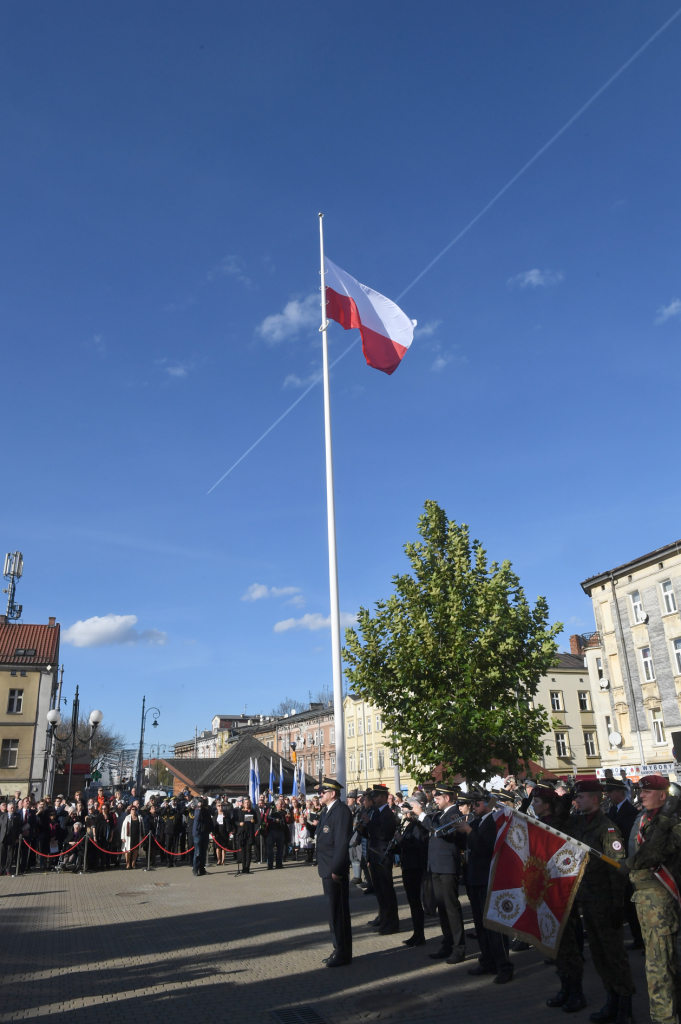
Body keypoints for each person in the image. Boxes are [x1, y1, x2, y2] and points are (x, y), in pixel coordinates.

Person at [547, 779, 633, 1023]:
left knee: (614, 955)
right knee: (598, 954)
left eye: (580, 797)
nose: (577, 800)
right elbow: (557, 826)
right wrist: (563, 804)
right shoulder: (578, 822)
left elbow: (617, 872)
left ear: (594, 799)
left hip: (605, 903)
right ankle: (611, 1001)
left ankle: (625, 1008)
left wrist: (618, 906)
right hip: (587, 899)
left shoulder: (608, 829)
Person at [626, 773, 681, 1024]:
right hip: (645, 901)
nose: (641, 795)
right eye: (640, 791)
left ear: (664, 795)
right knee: (657, 963)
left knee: (660, 967)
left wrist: (667, 817)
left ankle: (664, 1019)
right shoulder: (644, 819)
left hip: (662, 903)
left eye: (647, 791)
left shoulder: (674, 822)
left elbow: (651, 854)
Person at [454, 791, 513, 983]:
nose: (473, 806)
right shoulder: (476, 821)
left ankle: (504, 966)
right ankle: (487, 961)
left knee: (494, 926)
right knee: (479, 925)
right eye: (472, 803)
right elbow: (467, 845)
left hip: (488, 879)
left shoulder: (493, 822)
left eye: (477, 803)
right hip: (474, 879)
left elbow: (486, 848)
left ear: (488, 803)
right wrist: (459, 831)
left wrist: (469, 831)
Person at [416, 784, 466, 964]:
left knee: (451, 908)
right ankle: (447, 943)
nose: (435, 799)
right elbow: (431, 826)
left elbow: (440, 830)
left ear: (448, 798)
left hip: (447, 866)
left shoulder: (454, 814)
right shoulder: (440, 813)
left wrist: (421, 814)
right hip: (436, 865)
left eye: (438, 797)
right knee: (442, 908)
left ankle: (459, 947)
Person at [316, 779, 353, 967]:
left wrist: (337, 869)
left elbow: (341, 844)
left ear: (333, 793)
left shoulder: (341, 811)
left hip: (333, 869)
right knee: (333, 911)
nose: (320, 794)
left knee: (338, 912)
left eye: (323, 792)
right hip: (326, 867)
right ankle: (338, 948)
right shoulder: (328, 811)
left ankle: (343, 952)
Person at [603, 779, 643, 951]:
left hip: (627, 860)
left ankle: (640, 939)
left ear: (620, 792)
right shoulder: (611, 810)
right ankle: (635, 938)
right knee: (623, 903)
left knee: (631, 903)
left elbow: (628, 835)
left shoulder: (631, 811)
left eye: (611, 792)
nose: (608, 795)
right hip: (614, 862)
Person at [361, 783, 399, 934]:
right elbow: (371, 835)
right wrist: (363, 828)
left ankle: (392, 922)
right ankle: (383, 918)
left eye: (376, 796)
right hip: (374, 854)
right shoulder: (376, 812)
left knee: (387, 890)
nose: (374, 799)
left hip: (383, 855)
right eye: (373, 797)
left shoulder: (388, 814)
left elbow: (383, 834)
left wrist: (369, 824)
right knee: (379, 890)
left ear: (384, 797)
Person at [397, 801, 429, 947]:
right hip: (408, 866)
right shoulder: (409, 825)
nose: (405, 814)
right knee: (412, 902)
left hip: (415, 868)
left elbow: (418, 847)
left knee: (416, 902)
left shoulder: (418, 826)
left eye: (406, 811)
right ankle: (416, 933)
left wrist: (400, 841)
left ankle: (419, 935)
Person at [235, 797, 259, 873]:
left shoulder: (253, 811)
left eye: (248, 802)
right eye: (245, 803)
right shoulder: (239, 811)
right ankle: (243, 867)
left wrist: (253, 820)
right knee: (242, 851)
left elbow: (257, 821)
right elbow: (235, 821)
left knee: (248, 850)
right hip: (242, 832)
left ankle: (247, 867)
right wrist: (239, 823)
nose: (247, 804)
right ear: (243, 804)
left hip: (249, 832)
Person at [265, 798, 288, 869]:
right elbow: (266, 819)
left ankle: (279, 864)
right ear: (276, 804)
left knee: (280, 849)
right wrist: (274, 820)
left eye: (282, 804)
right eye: (280, 804)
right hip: (272, 831)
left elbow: (286, 821)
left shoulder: (283, 812)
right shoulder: (271, 810)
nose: (282, 805)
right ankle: (270, 865)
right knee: (270, 849)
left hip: (281, 831)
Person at [192, 797, 213, 876]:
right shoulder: (197, 810)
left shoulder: (206, 810)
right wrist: (199, 808)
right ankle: (195, 869)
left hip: (205, 833)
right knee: (197, 853)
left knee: (203, 853)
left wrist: (212, 829)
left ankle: (202, 869)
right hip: (198, 833)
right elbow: (197, 818)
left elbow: (211, 816)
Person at [121, 805, 145, 869]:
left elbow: (142, 828)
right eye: (133, 809)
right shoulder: (127, 818)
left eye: (135, 809)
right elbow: (123, 828)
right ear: (130, 810)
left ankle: (133, 863)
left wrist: (143, 836)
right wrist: (122, 837)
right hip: (128, 837)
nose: (134, 811)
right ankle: (128, 864)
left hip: (137, 837)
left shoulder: (140, 817)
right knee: (128, 851)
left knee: (135, 850)